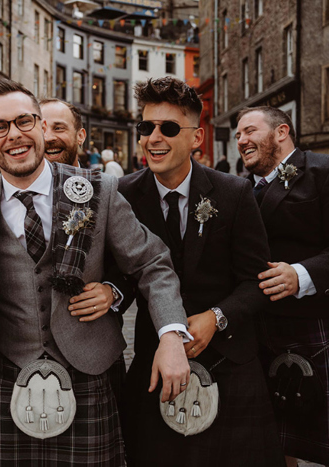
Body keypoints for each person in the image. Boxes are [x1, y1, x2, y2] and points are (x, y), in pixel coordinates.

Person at [0, 79, 192, 466]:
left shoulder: (99, 191)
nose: (13, 135)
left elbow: (152, 263)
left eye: (24, 121)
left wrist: (171, 336)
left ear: (42, 128)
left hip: (87, 371)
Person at [119, 77, 284, 466]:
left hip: (230, 361)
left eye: (169, 128)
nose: (153, 138)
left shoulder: (233, 192)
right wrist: (111, 291)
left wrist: (217, 317)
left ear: (197, 137)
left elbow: (256, 282)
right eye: (146, 127)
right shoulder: (123, 193)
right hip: (155, 362)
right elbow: (121, 273)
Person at [236, 106, 329, 467]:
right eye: (238, 134)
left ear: (282, 132)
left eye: (250, 131)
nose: (241, 140)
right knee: (274, 445)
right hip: (268, 334)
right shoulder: (241, 190)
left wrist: (301, 274)